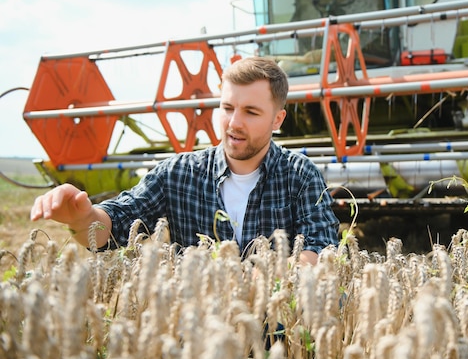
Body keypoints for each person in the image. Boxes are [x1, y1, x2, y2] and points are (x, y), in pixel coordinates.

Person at [30, 56, 340, 264]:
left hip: (278, 340)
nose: (234, 123)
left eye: (251, 112)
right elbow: (118, 224)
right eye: (228, 108)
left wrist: (264, 280)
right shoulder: (178, 174)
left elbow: (323, 245)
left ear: (277, 119)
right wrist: (81, 219)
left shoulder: (300, 175)